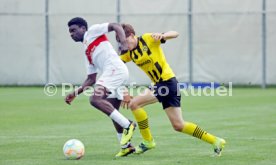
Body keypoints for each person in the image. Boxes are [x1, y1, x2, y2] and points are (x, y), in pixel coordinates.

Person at [117, 23, 226, 156]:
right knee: (178, 125)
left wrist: (163, 35)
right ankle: (216, 140)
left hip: (167, 82)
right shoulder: (129, 53)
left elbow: (175, 33)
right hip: (161, 84)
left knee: (134, 104)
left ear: (132, 36)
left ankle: (148, 141)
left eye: (124, 40)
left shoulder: (147, 38)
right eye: (120, 42)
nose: (124, 44)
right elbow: (116, 66)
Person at [65, 17, 136, 157]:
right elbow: (91, 79)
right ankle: (126, 146)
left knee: (95, 99)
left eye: (73, 30)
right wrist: (75, 93)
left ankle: (129, 125)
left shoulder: (92, 31)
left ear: (83, 28)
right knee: (113, 109)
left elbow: (115, 25)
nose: (72, 34)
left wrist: (123, 43)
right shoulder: (87, 51)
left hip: (114, 69)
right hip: (114, 72)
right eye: (70, 32)